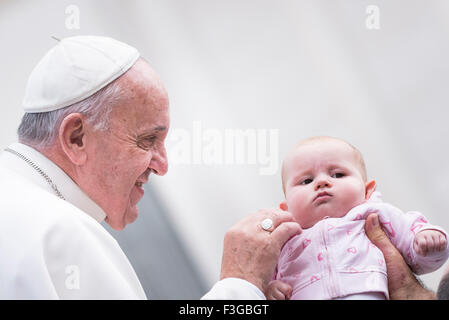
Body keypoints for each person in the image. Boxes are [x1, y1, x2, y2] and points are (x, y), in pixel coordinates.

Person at [0, 35, 301, 299]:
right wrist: (241, 283)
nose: (162, 165)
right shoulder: (59, 231)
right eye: (147, 140)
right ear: (76, 137)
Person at [265, 136, 449, 300]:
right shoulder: (282, 241)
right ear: (286, 207)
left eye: (338, 174)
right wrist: (271, 289)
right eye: (306, 181)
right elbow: (265, 276)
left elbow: (415, 249)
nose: (322, 182)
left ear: (367, 190)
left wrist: (427, 240)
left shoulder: (376, 215)